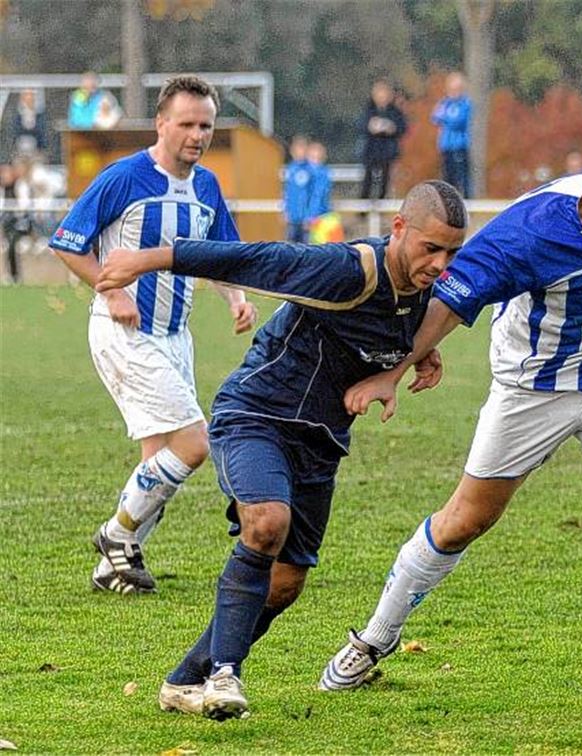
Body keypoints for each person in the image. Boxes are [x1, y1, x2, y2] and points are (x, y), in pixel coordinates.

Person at [319, 143, 582, 692]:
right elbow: (449, 301)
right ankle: (373, 639)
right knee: (464, 522)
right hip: (532, 388)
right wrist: (394, 371)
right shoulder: (530, 232)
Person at [94, 180, 467, 720]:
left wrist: (415, 359)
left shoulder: (426, 295)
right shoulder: (350, 270)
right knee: (266, 523)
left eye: (452, 251)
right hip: (257, 415)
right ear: (399, 229)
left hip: (320, 441)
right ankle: (225, 675)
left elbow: (398, 335)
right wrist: (147, 259)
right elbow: (256, 259)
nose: (440, 262)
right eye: (431, 248)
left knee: (286, 583)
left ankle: (185, 680)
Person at [49, 75, 258, 595]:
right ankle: (115, 535)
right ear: (161, 123)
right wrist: (112, 289)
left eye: (205, 125)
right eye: (186, 123)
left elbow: (220, 256)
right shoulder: (123, 177)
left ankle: (111, 568)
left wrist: (235, 298)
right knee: (193, 444)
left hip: (174, 336)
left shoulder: (207, 186)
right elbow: (67, 241)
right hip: (124, 332)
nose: (197, 134)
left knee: (157, 462)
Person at [359, 80, 407, 199]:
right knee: (368, 176)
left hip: (387, 150)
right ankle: (364, 200)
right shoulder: (368, 110)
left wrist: (392, 127)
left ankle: (382, 198)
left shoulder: (395, 112)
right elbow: (361, 125)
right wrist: (370, 126)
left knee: (386, 176)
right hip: (371, 149)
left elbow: (402, 127)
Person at [431, 71, 472, 197]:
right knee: (447, 178)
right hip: (446, 146)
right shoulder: (445, 103)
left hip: (459, 146)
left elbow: (458, 121)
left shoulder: (465, 103)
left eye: (457, 88)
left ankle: (466, 204)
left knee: (462, 178)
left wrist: (445, 119)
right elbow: (434, 117)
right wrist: (446, 118)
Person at [282, 135, 313, 242]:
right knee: (290, 247)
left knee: (306, 248)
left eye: (303, 148)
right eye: (298, 148)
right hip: (292, 217)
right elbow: (288, 192)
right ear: (292, 151)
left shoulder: (311, 169)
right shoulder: (291, 169)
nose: (301, 151)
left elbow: (313, 194)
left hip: (306, 218)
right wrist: (285, 211)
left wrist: (310, 216)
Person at [306, 140, 332, 219]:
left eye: (318, 158)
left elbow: (318, 195)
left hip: (319, 215)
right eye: (313, 158)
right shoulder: (302, 171)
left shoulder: (323, 173)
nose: (315, 162)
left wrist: (311, 216)